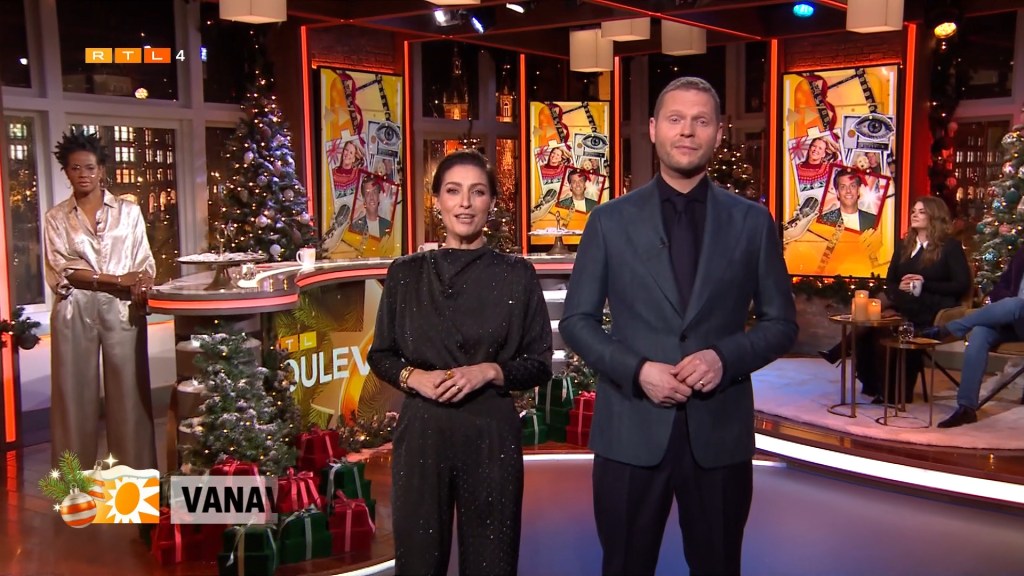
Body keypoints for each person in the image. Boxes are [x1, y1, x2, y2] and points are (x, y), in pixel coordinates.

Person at [560, 77, 797, 576]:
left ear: (718, 133)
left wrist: (723, 358)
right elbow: (577, 322)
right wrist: (638, 370)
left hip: (719, 433)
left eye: (700, 121)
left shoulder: (752, 222)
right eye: (675, 119)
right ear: (653, 129)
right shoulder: (609, 220)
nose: (687, 131)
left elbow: (781, 323)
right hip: (630, 430)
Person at [368, 149, 553, 575]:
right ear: (437, 200)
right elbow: (381, 354)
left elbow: (539, 362)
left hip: (490, 434)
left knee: (491, 561)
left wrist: (489, 371)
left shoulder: (517, 274)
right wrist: (414, 377)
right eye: (453, 191)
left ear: (492, 202)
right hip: (422, 433)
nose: (465, 203)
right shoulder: (405, 273)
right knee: (418, 562)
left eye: (477, 192)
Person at [43, 129, 156, 469]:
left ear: (102, 170)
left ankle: (133, 484)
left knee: (130, 397)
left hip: (122, 309)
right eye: (75, 168)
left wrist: (143, 281)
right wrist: (117, 279)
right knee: (73, 398)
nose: (83, 175)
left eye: (90, 168)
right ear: (66, 172)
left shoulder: (129, 212)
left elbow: (143, 261)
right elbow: (63, 269)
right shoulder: (56, 218)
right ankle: (72, 485)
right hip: (74, 308)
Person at [820, 198, 970, 401]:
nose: (914, 215)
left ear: (935, 216)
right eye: (913, 211)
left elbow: (961, 284)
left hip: (933, 305)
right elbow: (891, 281)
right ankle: (881, 388)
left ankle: (842, 351)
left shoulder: (950, 247)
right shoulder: (904, 245)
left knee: (881, 316)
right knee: (878, 326)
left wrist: (924, 283)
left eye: (921, 212)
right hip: (903, 301)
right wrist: (900, 287)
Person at [923, 249, 1024, 427]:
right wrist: (1004, 301)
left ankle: (950, 329)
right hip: (1012, 322)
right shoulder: (1022, 253)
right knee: (980, 332)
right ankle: (966, 408)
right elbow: (1002, 286)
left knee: (1017, 304)